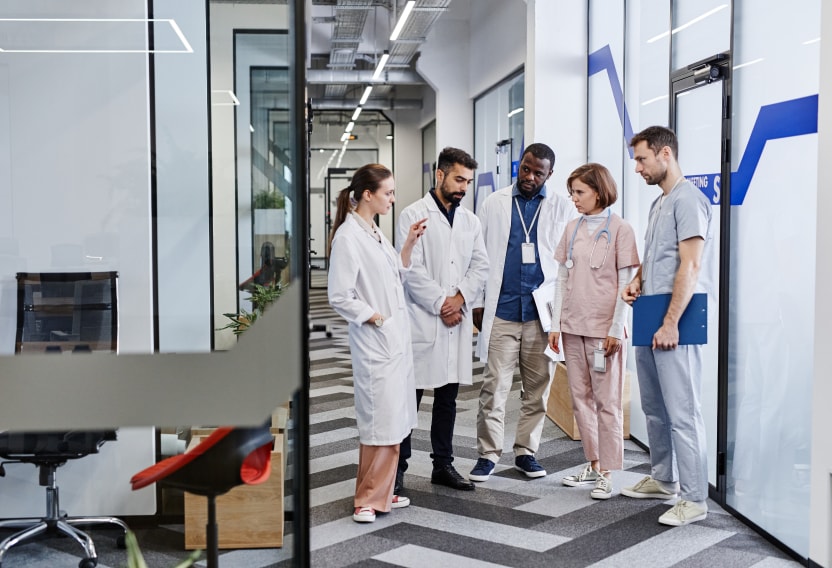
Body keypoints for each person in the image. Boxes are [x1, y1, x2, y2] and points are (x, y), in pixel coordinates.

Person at [620, 126, 714, 526]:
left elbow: (691, 265)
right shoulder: (660, 204)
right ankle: (663, 479)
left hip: (676, 318)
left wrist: (672, 322)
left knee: (683, 410)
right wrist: (637, 279)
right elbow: (656, 255)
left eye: (641, 159)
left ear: (665, 154)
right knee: (654, 407)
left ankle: (694, 498)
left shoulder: (689, 200)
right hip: (649, 311)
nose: (637, 168)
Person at [327, 163, 427, 523]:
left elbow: (395, 272)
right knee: (379, 422)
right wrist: (374, 317)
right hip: (376, 341)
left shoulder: (372, 230)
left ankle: (385, 490)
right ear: (367, 194)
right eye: (388, 193)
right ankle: (366, 499)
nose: (393, 199)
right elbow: (339, 294)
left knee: (395, 419)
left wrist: (409, 245)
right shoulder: (348, 236)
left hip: (393, 341)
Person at [470, 143, 576, 482]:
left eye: (538, 173)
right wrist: (478, 301)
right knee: (493, 388)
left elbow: (566, 264)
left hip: (540, 314)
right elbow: (481, 256)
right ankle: (488, 454)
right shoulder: (494, 203)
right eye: (526, 169)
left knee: (537, 388)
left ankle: (526, 452)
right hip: (501, 309)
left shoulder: (561, 207)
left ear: (550, 175)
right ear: (520, 165)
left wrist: (562, 315)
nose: (530, 177)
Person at [395, 147, 489, 493]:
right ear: (440, 175)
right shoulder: (412, 214)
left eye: (468, 181)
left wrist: (460, 297)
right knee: (411, 397)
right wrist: (441, 304)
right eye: (458, 179)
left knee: (448, 397)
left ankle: (443, 465)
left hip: (456, 318)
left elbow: (481, 265)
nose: (464, 187)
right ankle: (399, 467)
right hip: (424, 319)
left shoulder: (471, 221)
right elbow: (411, 270)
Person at [547, 163, 640, 499]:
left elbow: (627, 283)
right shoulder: (572, 228)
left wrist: (617, 327)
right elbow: (561, 278)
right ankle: (595, 462)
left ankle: (610, 472)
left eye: (579, 192)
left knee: (608, 401)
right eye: (572, 192)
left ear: (598, 192)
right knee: (580, 400)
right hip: (573, 327)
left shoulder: (621, 230)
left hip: (604, 332)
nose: (574, 198)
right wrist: (555, 324)